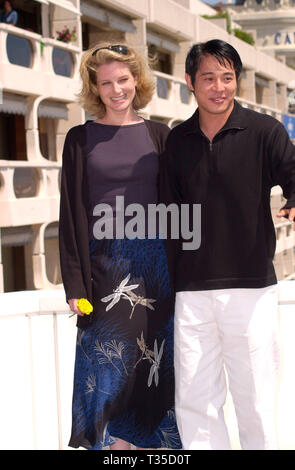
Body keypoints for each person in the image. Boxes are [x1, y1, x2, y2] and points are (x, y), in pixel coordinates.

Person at [160, 39, 295, 450]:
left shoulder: (264, 131)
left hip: (251, 288)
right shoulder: (176, 141)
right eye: (208, 78)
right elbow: (168, 214)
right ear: (190, 83)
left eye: (227, 77)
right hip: (192, 293)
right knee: (196, 402)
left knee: (256, 401)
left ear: (236, 81)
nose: (219, 87)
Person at [59, 42, 182, 450]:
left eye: (123, 80)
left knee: (152, 368)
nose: (116, 90)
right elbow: (71, 213)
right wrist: (75, 286)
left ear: (137, 81)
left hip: (155, 270)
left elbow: (182, 203)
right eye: (106, 82)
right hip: (103, 271)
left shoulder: (160, 135)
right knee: (107, 371)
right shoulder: (79, 139)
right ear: (94, 87)